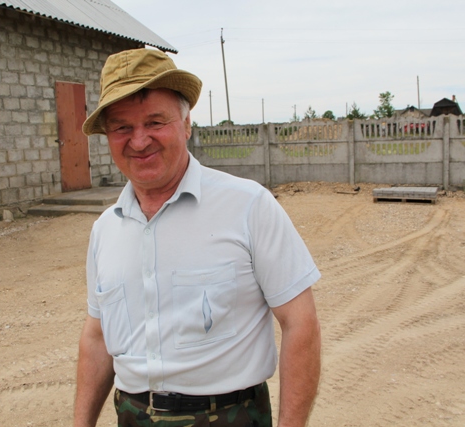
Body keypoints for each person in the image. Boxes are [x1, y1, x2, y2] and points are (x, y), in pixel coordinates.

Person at [74, 48, 322, 427]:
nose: (139, 141)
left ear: (187, 123)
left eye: (155, 122)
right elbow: (97, 337)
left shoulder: (249, 206)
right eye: (122, 127)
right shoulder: (106, 229)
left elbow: (300, 322)